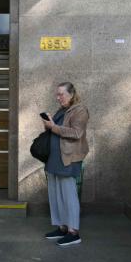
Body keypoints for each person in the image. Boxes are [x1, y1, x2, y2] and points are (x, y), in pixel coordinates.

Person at [42, 82, 89, 247]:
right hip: (54, 158)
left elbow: (76, 133)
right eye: (57, 94)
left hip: (68, 158)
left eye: (61, 94)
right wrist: (48, 123)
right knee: (55, 195)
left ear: (71, 94)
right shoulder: (61, 111)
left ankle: (73, 232)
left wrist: (53, 127)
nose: (58, 97)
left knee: (68, 195)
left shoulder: (80, 110)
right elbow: (55, 130)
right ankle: (62, 227)